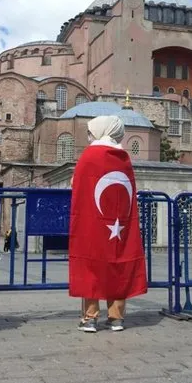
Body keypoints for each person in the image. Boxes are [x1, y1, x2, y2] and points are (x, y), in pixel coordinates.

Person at [68, 115, 147, 333]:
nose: (89, 135)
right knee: (118, 263)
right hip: (119, 224)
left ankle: (90, 317)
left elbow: (78, 183)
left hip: (92, 221)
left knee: (91, 264)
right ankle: (116, 318)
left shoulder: (90, 155)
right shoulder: (123, 157)